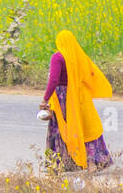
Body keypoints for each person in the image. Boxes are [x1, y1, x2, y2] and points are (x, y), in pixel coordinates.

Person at [40, 30, 113, 172]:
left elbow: (53, 80)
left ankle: (59, 164)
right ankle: (93, 163)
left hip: (63, 98)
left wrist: (45, 99)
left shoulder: (58, 57)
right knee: (85, 128)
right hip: (81, 97)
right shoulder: (80, 57)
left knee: (62, 129)